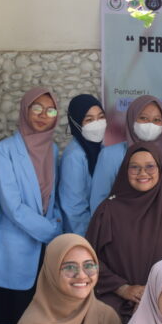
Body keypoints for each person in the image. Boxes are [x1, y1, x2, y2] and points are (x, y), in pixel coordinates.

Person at [86, 144, 162, 321]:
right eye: (134, 167)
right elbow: (89, 259)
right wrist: (123, 288)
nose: (142, 173)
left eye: (150, 166)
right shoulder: (108, 211)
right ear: (125, 170)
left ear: (160, 169)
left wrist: (154, 293)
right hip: (113, 300)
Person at [0, 88, 63, 324]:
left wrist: (57, 224)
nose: (43, 115)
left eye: (50, 110)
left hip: (46, 251)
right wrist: (52, 231)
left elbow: (53, 197)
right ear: (25, 110)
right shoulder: (5, 150)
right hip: (17, 247)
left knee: (43, 320)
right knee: (15, 319)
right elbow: (12, 206)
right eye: (37, 108)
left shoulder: (52, 149)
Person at [90, 94, 162, 214]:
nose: (150, 124)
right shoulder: (111, 155)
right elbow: (99, 201)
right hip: (120, 222)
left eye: (157, 120)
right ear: (132, 118)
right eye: (143, 118)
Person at [58, 94, 106, 235]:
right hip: (85, 234)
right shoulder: (74, 156)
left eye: (101, 117)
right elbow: (74, 208)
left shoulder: (99, 149)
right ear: (76, 122)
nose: (97, 124)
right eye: (89, 120)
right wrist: (90, 238)